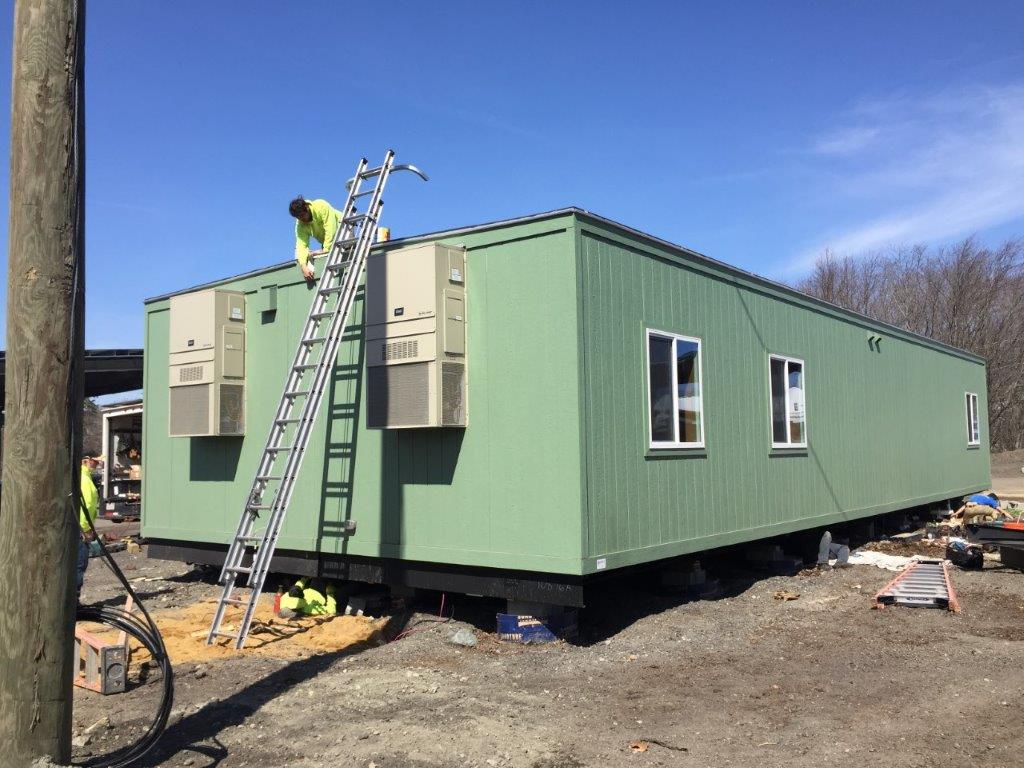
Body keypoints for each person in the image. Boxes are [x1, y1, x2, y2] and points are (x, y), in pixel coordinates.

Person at [289, 196, 344, 281]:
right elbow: (301, 246)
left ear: (306, 207)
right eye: (298, 217)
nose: (302, 219)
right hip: (327, 243)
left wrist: (325, 250)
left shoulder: (320, 205)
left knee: (347, 252)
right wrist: (303, 267)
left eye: (302, 215)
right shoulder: (300, 225)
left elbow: (331, 228)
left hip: (344, 229)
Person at [78, 456, 100, 597]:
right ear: (85, 460)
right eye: (95, 461)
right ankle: (74, 602)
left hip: (82, 527)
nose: (97, 464)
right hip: (81, 529)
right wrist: (85, 529)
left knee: (80, 564)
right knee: (79, 564)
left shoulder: (85, 477)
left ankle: (74, 600)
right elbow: (86, 505)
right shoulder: (84, 480)